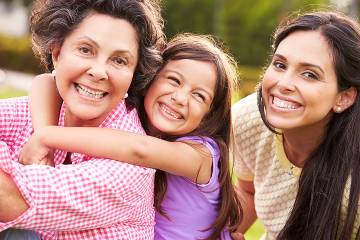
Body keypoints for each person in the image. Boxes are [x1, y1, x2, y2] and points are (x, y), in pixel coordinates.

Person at [19, 34, 243, 240]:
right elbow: (47, 81)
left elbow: (140, 150)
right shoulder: (131, 118)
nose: (180, 98)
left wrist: (49, 136)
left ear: (207, 117)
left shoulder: (201, 155)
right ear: (150, 78)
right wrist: (42, 132)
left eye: (199, 96)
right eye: (174, 80)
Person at [0, 0, 165, 239]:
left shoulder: (130, 167)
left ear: (133, 75)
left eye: (119, 60)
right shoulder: (35, 111)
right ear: (57, 54)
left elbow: (10, 197)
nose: (98, 72)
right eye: (86, 50)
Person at [232, 11, 360, 240]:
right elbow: (248, 190)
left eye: (310, 74)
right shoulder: (249, 119)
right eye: (280, 65)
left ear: (344, 97)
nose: (284, 83)